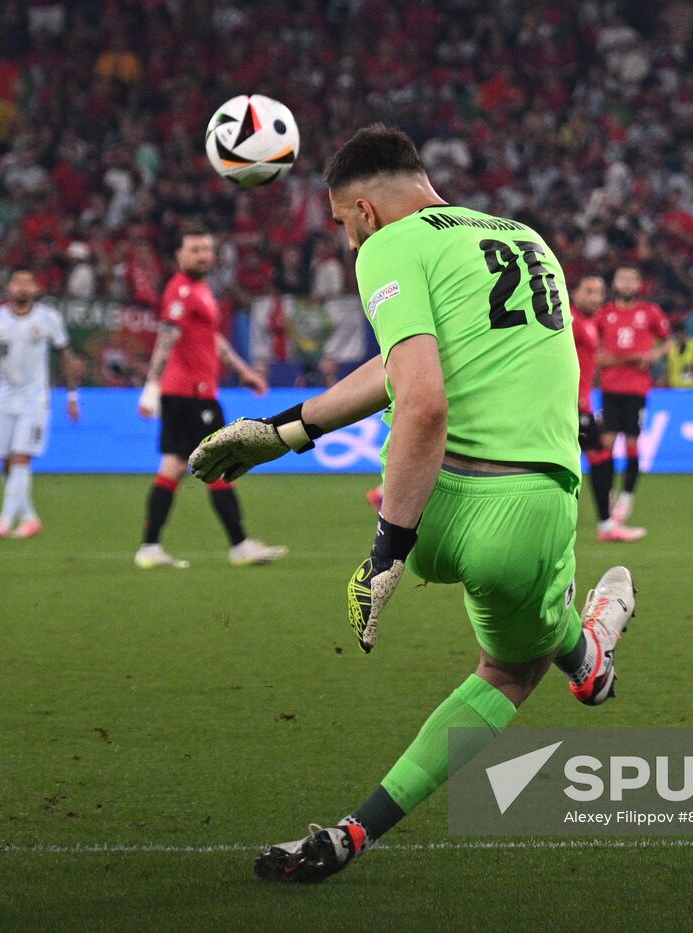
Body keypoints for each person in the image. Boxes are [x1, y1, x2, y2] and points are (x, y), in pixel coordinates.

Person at [188, 125, 635, 883]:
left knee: (527, 644)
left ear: (362, 209)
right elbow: (415, 377)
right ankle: (354, 833)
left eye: (338, 223)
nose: (344, 237)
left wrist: (395, 543)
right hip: (522, 514)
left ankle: (586, 659)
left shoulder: (387, 248)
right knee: (507, 673)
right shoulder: (526, 239)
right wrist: (290, 431)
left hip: (433, 510)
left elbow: (419, 401)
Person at [134, 229, 287, 569]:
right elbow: (167, 337)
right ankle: (239, 545)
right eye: (195, 250)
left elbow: (210, 338)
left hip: (194, 393)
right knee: (219, 462)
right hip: (190, 395)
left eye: (206, 249)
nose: (203, 255)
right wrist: (151, 387)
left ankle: (150, 547)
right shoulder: (180, 290)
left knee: (173, 468)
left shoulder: (202, 291)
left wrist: (243, 371)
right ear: (179, 256)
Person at [0, 269, 80, 539]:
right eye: (17, 282)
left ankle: (5, 520)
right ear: (9, 287)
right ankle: (29, 517)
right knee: (5, 462)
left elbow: (66, 357)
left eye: (28, 282)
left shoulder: (48, 318)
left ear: (36, 288)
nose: (22, 287)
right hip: (5, 397)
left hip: (36, 399)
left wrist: (72, 396)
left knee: (21, 456)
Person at [595, 264, 668, 536]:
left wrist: (655, 355)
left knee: (633, 442)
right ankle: (610, 492)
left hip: (637, 388)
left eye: (631, 279)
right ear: (615, 283)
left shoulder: (649, 312)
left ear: (639, 284)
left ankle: (627, 496)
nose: (626, 283)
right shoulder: (604, 314)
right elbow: (596, 351)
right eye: (621, 278)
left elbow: (667, 341)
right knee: (607, 443)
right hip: (611, 387)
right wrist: (627, 358)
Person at [571, 274, 642, 541]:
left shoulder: (590, 322)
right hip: (572, 403)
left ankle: (607, 524)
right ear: (575, 293)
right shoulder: (571, 321)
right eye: (588, 291)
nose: (595, 297)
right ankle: (606, 524)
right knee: (599, 456)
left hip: (582, 403)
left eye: (599, 292)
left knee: (599, 456)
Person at [664, 318, 693, 388]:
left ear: (685, 333)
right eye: (677, 335)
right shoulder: (671, 348)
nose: (679, 338)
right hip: (675, 389)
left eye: (681, 334)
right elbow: (668, 368)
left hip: (692, 389)